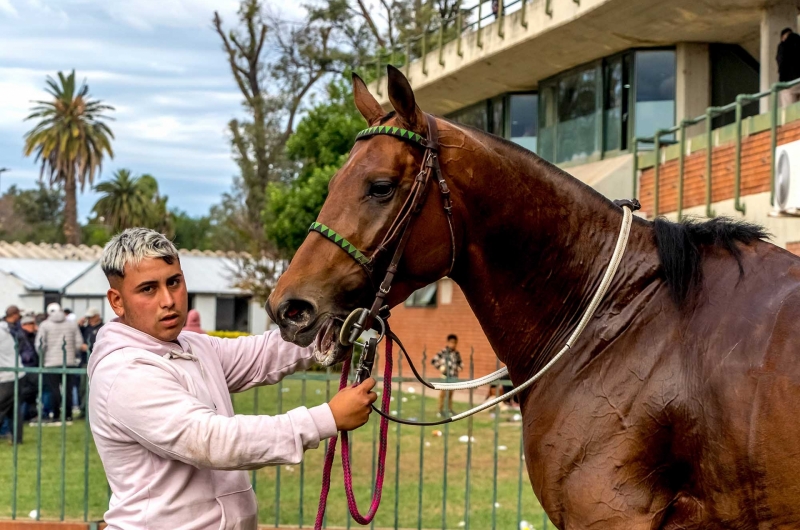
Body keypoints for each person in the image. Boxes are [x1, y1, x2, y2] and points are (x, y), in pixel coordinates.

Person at [88, 228, 377, 529]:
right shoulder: (125, 371)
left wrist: (342, 319)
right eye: (148, 289)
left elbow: (264, 353)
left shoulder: (193, 346)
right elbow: (213, 441)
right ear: (117, 301)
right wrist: (326, 418)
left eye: (174, 282)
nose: (168, 300)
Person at [35, 302, 83, 423]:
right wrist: (72, 352)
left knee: (54, 390)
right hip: (69, 361)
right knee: (68, 390)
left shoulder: (45, 325)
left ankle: (56, 414)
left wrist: (43, 355)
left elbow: (40, 345)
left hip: (51, 362)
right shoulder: (71, 324)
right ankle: (68, 414)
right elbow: (79, 343)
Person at [0, 314, 37, 443]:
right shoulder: (5, 331)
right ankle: (17, 438)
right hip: (17, 374)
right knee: (13, 409)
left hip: (7, 377)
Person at [432, 334, 463, 416]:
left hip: (453, 376)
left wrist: (459, 367)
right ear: (448, 342)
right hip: (445, 376)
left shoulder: (456, 353)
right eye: (451, 342)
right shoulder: (443, 352)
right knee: (442, 394)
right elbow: (434, 361)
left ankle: (449, 409)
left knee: (450, 394)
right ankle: (440, 410)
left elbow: (460, 363)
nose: (453, 344)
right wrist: (440, 367)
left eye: (455, 343)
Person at [777, 27, 800, 106]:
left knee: (789, 112)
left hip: (789, 83)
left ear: (783, 37)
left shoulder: (783, 46)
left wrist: (782, 82)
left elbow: (782, 62)